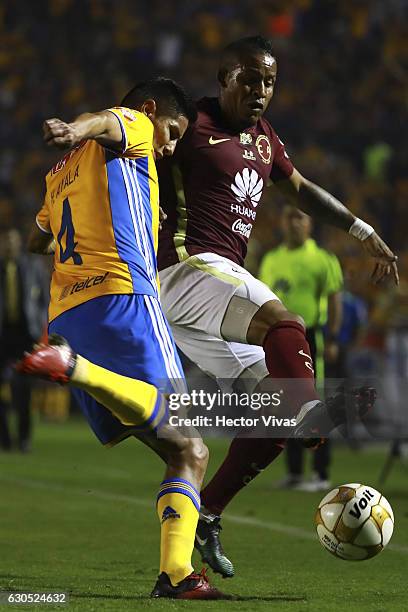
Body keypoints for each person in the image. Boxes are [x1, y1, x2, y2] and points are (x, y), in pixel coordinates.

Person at [156, 36, 398, 577]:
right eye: (249, 79)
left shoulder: (264, 139)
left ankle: (208, 514)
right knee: (285, 323)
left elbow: (302, 188)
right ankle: (311, 413)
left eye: (268, 81)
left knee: (272, 412)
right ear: (223, 78)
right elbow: (134, 145)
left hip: (207, 292)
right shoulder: (190, 122)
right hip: (189, 266)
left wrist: (360, 229)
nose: (260, 91)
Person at [16, 77, 227, 600]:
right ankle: (72, 367)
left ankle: (175, 575)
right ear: (152, 111)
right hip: (124, 296)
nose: (170, 146)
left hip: (69, 312)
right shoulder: (132, 123)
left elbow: (36, 237)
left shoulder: (60, 173)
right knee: (190, 441)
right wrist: (74, 128)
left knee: (187, 453)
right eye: (171, 132)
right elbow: (108, 118)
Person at [258, 205, 343, 492]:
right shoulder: (271, 259)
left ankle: (321, 473)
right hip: (278, 338)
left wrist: (332, 338)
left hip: (310, 336)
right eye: (289, 216)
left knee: (313, 403)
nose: (294, 222)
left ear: (309, 224)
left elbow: (334, 301)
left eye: (300, 217)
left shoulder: (322, 259)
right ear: (282, 222)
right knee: (286, 404)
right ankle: (294, 471)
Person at [0, 228, 49, 452]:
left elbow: (44, 300)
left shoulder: (32, 267)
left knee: (24, 390)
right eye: (6, 241)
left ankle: (24, 439)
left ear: (18, 243)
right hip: (3, 335)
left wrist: (39, 323)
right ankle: (5, 439)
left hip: (25, 334)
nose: (10, 244)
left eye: (13, 240)